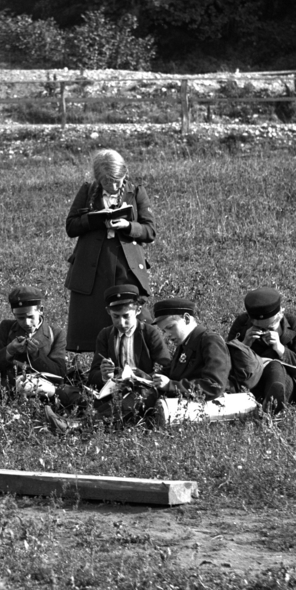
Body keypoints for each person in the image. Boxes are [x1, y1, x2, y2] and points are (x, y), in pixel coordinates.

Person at [64, 149, 156, 353]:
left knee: (133, 314)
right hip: (92, 269)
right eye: (107, 182)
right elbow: (71, 226)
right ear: (98, 178)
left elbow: (150, 231)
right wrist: (93, 219)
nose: (113, 187)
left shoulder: (136, 192)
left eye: (117, 180)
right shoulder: (88, 191)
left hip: (126, 268)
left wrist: (128, 226)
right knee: (93, 318)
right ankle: (98, 367)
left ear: (125, 173)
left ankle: (140, 359)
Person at [57, 283, 171, 420]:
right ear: (108, 312)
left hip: (141, 391)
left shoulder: (149, 333)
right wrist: (105, 375)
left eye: (126, 316)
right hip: (112, 390)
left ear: (138, 310)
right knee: (64, 391)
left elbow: (167, 368)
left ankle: (83, 423)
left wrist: (145, 377)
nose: (121, 323)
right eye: (116, 317)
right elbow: (93, 375)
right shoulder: (105, 335)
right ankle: (102, 414)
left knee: (133, 398)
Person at [118, 298, 230, 422]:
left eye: (170, 327)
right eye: (164, 331)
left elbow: (213, 386)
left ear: (187, 318)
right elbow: (171, 372)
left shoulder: (210, 341)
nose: (167, 336)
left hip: (207, 409)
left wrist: (170, 385)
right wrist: (143, 377)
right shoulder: (185, 343)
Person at [226, 287, 296, 413]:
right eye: (258, 328)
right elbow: (225, 362)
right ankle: (267, 407)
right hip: (252, 381)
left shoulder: (294, 324)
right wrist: (244, 344)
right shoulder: (242, 324)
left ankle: (272, 406)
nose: (264, 333)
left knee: (275, 366)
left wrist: (280, 349)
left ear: (280, 315)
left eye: (269, 328)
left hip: (284, 382)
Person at [0, 288, 68, 396]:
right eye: (20, 318)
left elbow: (60, 374)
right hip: (3, 388)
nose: (26, 323)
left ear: (40, 310)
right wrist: (9, 350)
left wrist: (37, 355)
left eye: (31, 317)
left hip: (39, 391)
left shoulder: (56, 334)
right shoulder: (6, 328)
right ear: (14, 314)